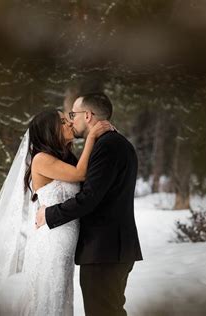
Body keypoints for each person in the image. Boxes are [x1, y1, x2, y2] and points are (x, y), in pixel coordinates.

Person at [0, 108, 112, 315]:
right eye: (62, 121)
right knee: (49, 296)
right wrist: (92, 135)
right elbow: (81, 174)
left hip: (64, 237)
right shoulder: (41, 159)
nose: (68, 123)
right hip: (53, 239)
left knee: (59, 295)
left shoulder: (66, 158)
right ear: (50, 130)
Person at [36, 93, 143, 316]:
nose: (71, 120)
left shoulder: (106, 146)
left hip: (105, 250)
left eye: (72, 115)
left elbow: (89, 199)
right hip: (110, 249)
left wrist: (49, 215)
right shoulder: (113, 142)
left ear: (88, 115)